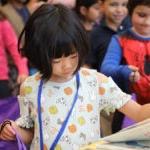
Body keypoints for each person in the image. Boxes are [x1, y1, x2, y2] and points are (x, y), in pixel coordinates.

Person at [0, 4, 150, 150]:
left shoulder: (94, 81)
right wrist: (13, 131)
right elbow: (31, 134)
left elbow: (138, 112)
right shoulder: (29, 86)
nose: (67, 66)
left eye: (73, 56)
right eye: (57, 60)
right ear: (38, 54)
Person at [101, 0, 150, 130]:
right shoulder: (119, 39)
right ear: (130, 12)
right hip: (128, 106)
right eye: (142, 15)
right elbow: (106, 68)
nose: (147, 22)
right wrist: (125, 71)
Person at [90, 0, 131, 70]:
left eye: (124, 5)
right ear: (102, 5)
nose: (119, 10)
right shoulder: (94, 34)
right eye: (113, 5)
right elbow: (87, 65)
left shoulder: (133, 28)